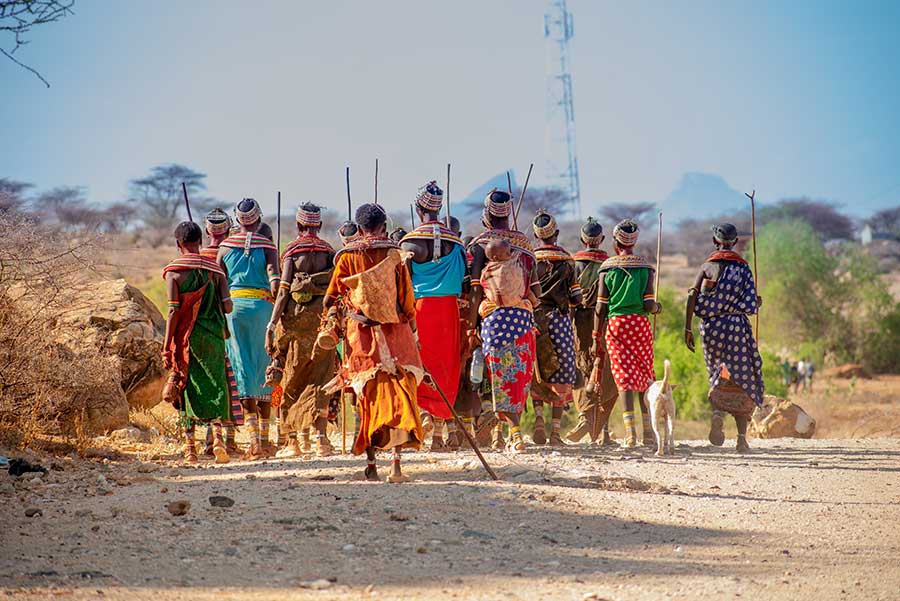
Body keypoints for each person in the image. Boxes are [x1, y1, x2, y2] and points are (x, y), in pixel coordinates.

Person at [323, 203, 424, 482]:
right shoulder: (394, 254)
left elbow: (330, 297)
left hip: (360, 334)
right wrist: (413, 330)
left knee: (366, 394)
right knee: (400, 393)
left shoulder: (346, 256)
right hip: (396, 332)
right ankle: (396, 465)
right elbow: (406, 300)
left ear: (359, 226)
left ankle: (370, 464)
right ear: (382, 226)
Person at [468, 189, 540, 452]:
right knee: (517, 375)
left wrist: (470, 325)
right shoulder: (525, 246)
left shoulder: (480, 244)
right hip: (522, 318)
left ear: (487, 215)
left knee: (494, 374)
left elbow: (475, 288)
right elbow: (537, 290)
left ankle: (501, 432)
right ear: (509, 213)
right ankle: (514, 431)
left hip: (493, 319)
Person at [265, 203, 337, 458]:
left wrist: (272, 324)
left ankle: (291, 441)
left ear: (299, 226)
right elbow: (334, 290)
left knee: (289, 378)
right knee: (320, 378)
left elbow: (284, 290)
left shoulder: (292, 251)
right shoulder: (329, 251)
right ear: (318, 225)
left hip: (293, 324)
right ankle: (322, 440)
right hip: (321, 324)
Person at [400, 181, 468, 451]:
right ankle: (438, 434)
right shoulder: (457, 243)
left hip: (419, 310)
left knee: (419, 364)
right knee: (446, 368)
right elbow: (465, 282)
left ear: (419, 209)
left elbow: (402, 283)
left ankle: (425, 417)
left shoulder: (409, 242)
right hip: (448, 311)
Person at [684, 223, 763, 453]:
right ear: (735, 242)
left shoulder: (708, 267)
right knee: (742, 377)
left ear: (714, 241)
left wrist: (687, 328)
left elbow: (692, 295)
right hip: (737, 328)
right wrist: (756, 302)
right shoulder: (744, 269)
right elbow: (749, 305)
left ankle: (718, 413)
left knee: (719, 372)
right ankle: (741, 438)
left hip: (712, 329)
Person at [162, 221, 233, 464]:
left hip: (186, 338)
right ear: (200, 242)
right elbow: (228, 306)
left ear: (178, 244)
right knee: (217, 383)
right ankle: (219, 440)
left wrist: (166, 344)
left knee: (186, 385)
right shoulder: (215, 269)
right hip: (213, 336)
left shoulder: (173, 272)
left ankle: (190, 448)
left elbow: (173, 312)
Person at [216, 198, 281, 460]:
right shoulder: (268, 246)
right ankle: (265, 442)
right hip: (263, 308)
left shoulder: (224, 246)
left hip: (234, 311)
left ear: (237, 220)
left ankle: (253, 443)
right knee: (264, 368)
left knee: (241, 368)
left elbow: (218, 282)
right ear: (258, 218)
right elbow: (275, 282)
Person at [593, 219, 661, 449]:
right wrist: (657, 308)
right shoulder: (645, 268)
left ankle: (630, 434)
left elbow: (601, 307)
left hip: (617, 326)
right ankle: (649, 433)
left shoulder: (608, 268)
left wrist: (595, 336)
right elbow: (650, 305)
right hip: (640, 325)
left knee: (623, 377)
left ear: (614, 242)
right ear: (635, 241)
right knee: (645, 375)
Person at [530, 210, 582, 446]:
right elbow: (576, 296)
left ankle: (538, 420)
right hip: (560, 321)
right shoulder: (568, 260)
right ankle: (555, 433)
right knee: (563, 370)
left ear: (535, 234)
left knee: (537, 368)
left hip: (534, 318)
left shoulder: (529, 258)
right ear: (556, 234)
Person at [567, 217, 619, 445]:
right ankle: (601, 430)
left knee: (583, 367)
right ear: (602, 240)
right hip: (605, 321)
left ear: (582, 239)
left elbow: (570, 297)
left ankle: (585, 418)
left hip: (580, 322)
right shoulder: (611, 264)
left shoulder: (573, 263)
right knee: (606, 371)